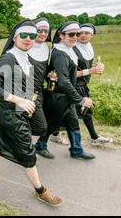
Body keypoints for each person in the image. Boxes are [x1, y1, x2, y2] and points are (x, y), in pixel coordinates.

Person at [0, 20, 63, 207]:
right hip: (10, 113)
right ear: (14, 37)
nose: (28, 39)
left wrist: (29, 98)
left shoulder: (24, 56)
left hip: (20, 110)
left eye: (32, 36)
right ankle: (41, 191)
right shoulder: (9, 58)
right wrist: (19, 100)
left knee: (5, 141)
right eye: (23, 35)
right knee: (27, 153)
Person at [37, 21, 96, 160]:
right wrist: (81, 100)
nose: (75, 37)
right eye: (71, 34)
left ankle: (76, 150)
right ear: (61, 35)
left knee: (73, 122)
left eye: (78, 34)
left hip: (66, 97)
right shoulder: (61, 54)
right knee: (52, 124)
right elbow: (63, 82)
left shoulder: (68, 50)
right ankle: (40, 146)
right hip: (58, 97)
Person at [72, 23, 112, 145]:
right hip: (73, 86)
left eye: (86, 33)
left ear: (92, 35)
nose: (83, 36)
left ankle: (94, 138)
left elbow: (86, 67)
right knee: (70, 114)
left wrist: (97, 67)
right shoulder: (73, 49)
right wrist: (90, 71)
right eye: (80, 33)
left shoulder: (89, 47)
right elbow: (70, 74)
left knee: (85, 111)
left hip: (83, 85)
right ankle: (47, 138)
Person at [28, 18, 55, 159]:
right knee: (40, 126)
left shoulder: (46, 48)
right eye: (40, 30)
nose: (43, 34)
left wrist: (49, 75)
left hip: (40, 90)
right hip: (26, 92)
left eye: (46, 31)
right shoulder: (27, 45)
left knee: (32, 124)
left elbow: (43, 70)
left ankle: (28, 148)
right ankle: (27, 151)